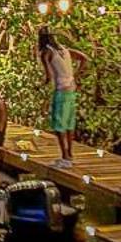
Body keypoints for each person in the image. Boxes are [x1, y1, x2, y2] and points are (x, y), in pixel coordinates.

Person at [38, 27, 86, 162]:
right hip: (71, 89)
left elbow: (49, 76)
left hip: (61, 90)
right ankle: (70, 152)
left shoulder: (46, 53)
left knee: (58, 124)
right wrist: (75, 76)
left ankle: (64, 154)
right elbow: (84, 58)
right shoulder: (65, 50)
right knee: (69, 122)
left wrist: (41, 86)